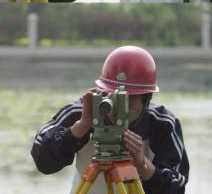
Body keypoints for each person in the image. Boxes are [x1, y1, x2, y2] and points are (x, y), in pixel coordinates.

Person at [31, 46, 189, 194]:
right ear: (102, 90)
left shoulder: (162, 124)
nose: (119, 108)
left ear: (146, 98)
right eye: (113, 96)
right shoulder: (81, 112)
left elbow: (177, 187)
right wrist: (79, 129)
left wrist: (142, 165)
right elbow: (42, 160)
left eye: (130, 98)